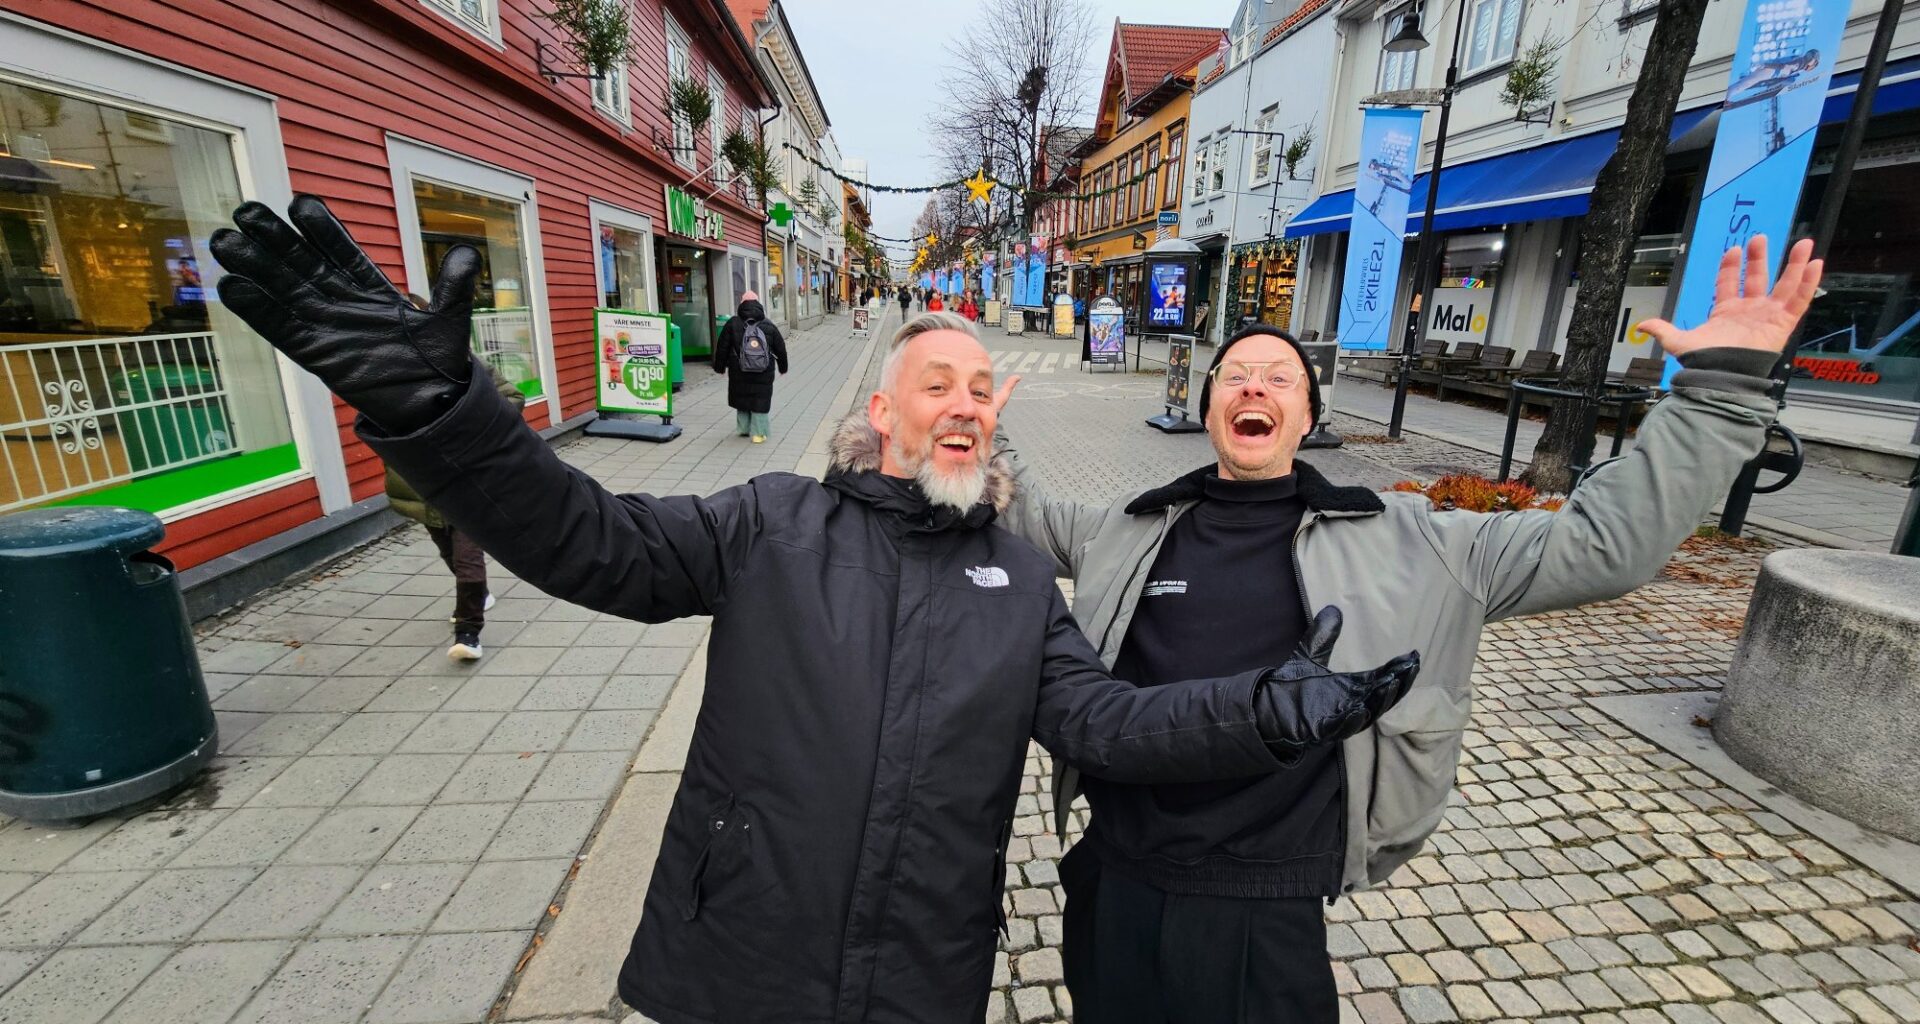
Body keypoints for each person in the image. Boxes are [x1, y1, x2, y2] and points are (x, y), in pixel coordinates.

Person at [207, 198, 1421, 1024]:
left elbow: (1108, 725)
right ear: (882, 414)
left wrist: (1263, 711)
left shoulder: (1015, 581)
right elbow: (590, 541)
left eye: (984, 388)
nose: (967, 401)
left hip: (921, 974)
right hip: (743, 954)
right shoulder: (770, 523)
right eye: (936, 382)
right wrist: (444, 412)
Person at [992, 235, 1824, 1022]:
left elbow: (1604, 545)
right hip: (1116, 877)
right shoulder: (1127, 527)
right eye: (1235, 375)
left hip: (1264, 902)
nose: (1253, 388)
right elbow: (1013, 510)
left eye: (1279, 379)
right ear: (1207, 404)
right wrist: (966, 416)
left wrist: (1718, 392)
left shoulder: (1420, 537)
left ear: (1308, 415)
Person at [384, 293, 527, 661]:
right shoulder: (387, 375)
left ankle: (468, 631)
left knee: (467, 557)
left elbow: (511, 398)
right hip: (421, 485)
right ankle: (479, 594)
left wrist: (467, 421)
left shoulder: (463, 364)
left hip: (467, 480)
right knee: (447, 550)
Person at [711, 291, 788, 443]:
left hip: (738, 369)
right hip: (763, 370)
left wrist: (720, 367)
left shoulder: (732, 323)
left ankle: (743, 429)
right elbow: (780, 348)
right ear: (758, 304)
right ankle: (759, 434)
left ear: (741, 304)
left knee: (742, 397)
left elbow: (722, 347)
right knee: (760, 399)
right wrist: (783, 367)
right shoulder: (768, 324)